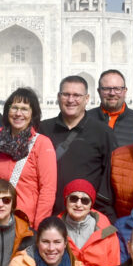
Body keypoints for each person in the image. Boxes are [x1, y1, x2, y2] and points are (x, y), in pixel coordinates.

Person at [39, 76, 116, 219]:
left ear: (87, 99)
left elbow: (109, 177)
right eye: (66, 94)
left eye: (76, 95)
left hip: (87, 216)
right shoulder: (43, 129)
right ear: (58, 97)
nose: (70, 100)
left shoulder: (102, 132)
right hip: (50, 215)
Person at [0, 87, 57, 227]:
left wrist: (39, 228)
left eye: (24, 109)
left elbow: (47, 190)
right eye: (14, 108)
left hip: (25, 224)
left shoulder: (41, 144)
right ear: (7, 111)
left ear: (33, 114)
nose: (18, 114)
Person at [59, 179, 120, 266]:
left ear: (91, 204)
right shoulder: (54, 228)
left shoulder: (106, 229)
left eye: (85, 201)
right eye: (73, 199)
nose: (78, 204)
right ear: (66, 200)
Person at [88, 69, 133, 143]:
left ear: (125, 91)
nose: (112, 93)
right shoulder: (85, 120)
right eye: (106, 89)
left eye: (117, 89)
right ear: (99, 91)